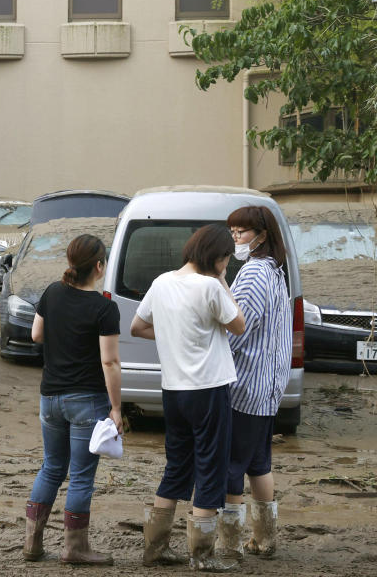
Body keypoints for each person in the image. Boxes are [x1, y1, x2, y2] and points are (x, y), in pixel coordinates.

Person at [131, 224, 245, 572]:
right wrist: (224, 279)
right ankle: (202, 556)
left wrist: (170, 337)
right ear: (219, 257)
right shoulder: (210, 286)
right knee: (210, 466)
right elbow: (239, 324)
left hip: (173, 390)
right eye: (226, 258)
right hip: (209, 389)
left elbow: (137, 326)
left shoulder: (161, 282)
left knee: (177, 464)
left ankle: (155, 548)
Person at [23, 234, 123, 565]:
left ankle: (32, 544)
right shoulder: (104, 308)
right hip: (86, 401)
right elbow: (109, 362)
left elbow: (36, 334)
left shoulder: (52, 292)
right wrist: (117, 408)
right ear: (98, 266)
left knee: (51, 466)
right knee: (80, 475)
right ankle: (75, 548)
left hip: (50, 398)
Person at [217, 206, 292, 560]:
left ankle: (228, 544)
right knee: (259, 463)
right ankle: (265, 539)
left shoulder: (253, 274)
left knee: (232, 466)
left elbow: (237, 329)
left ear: (262, 235)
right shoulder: (276, 272)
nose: (236, 238)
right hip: (268, 387)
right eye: (232, 232)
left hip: (244, 388)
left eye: (242, 232)